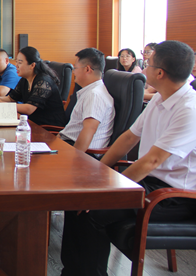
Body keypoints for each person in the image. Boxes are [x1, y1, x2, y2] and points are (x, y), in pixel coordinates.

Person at [60, 40, 196, 276]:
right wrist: (97, 174)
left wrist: (109, 190)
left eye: (148, 64)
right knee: (77, 199)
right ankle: (71, 271)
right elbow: (129, 138)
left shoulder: (189, 109)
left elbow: (152, 161)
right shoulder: (160, 98)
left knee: (94, 210)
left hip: (173, 197)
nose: (144, 68)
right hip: (148, 182)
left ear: (160, 73)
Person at [0, 46, 66, 127]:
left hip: (48, 127)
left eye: (20, 62)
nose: (16, 65)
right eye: (16, 62)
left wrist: (1, 103)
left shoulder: (43, 81)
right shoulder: (25, 79)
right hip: (31, 122)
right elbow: (11, 98)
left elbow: (29, 109)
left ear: (32, 65)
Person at [58, 48, 115, 152]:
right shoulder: (90, 91)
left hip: (79, 152)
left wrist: (72, 159)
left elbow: (89, 130)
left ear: (87, 69)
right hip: (67, 144)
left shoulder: (95, 95)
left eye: (75, 68)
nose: (73, 72)